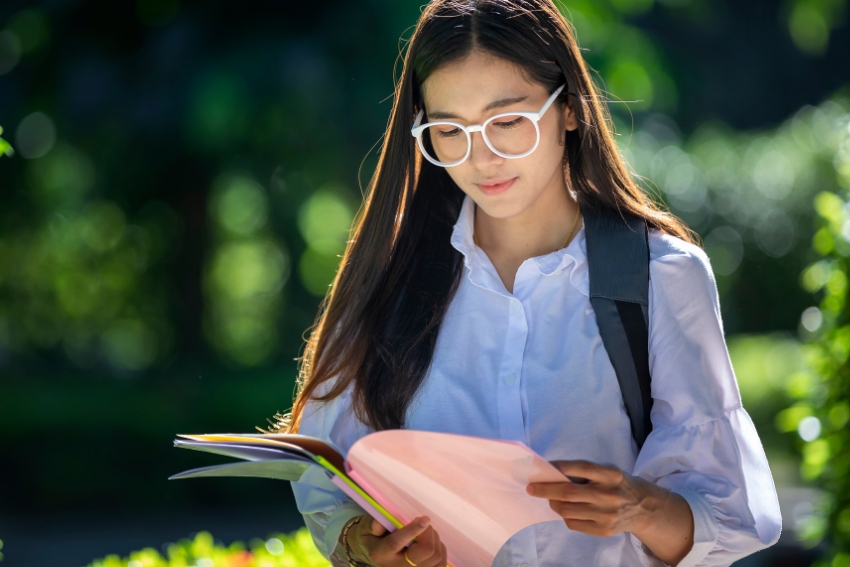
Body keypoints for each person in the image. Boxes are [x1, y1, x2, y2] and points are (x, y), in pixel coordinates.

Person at [271, 1, 783, 565]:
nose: (482, 157)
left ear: (568, 109)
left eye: (507, 120)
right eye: (449, 130)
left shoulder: (663, 275)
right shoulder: (386, 278)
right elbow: (326, 482)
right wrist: (361, 545)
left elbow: (735, 516)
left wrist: (640, 508)